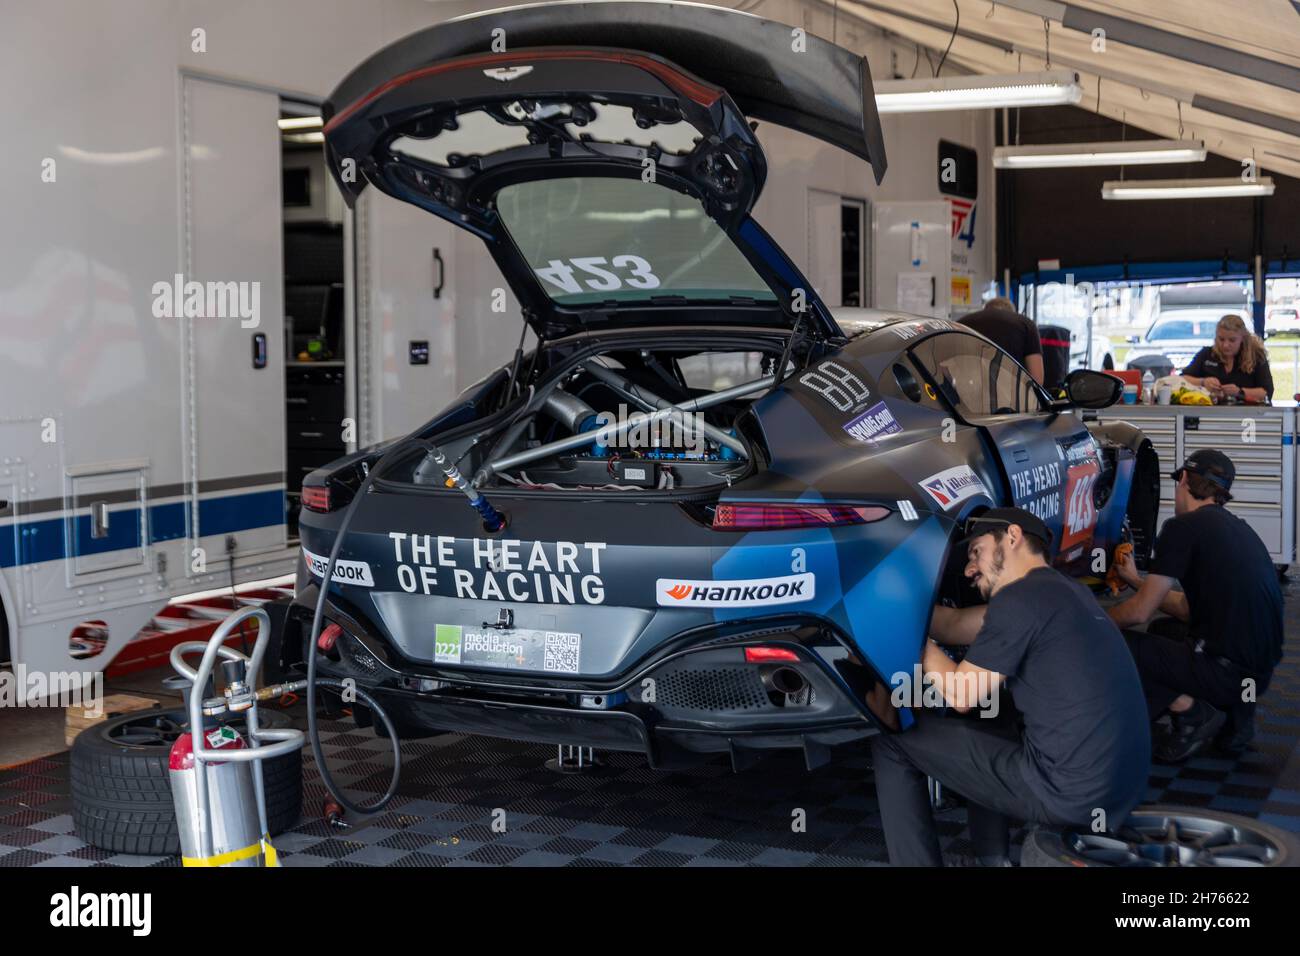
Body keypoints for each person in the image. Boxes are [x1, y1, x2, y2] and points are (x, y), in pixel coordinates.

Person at [871, 508, 1150, 866]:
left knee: (892, 739)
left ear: (1013, 536)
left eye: (977, 551)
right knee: (993, 713)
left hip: (1066, 791)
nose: (970, 568)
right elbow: (954, 624)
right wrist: (901, 600)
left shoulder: (1018, 598)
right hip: (1120, 789)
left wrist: (903, 627)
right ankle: (993, 861)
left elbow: (961, 695)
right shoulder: (1063, 592)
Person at [1108, 450, 1284, 761]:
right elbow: (1191, 609)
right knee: (1166, 629)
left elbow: (1138, 612)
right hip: (1257, 677)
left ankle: (1191, 712)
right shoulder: (1237, 529)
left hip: (1224, 673)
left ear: (1185, 479)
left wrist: (1091, 622)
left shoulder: (1181, 528)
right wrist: (1138, 581)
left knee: (1119, 644)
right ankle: (1236, 722)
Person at [1180, 313, 1273, 403]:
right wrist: (1203, 382)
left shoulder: (1256, 356)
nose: (1225, 345)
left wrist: (1240, 392)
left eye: (1232, 340)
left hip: (1246, 413)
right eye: (1221, 339)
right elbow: (1182, 379)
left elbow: (1266, 392)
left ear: (1242, 339)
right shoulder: (1207, 354)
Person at [959, 297, 1044, 384]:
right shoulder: (1026, 324)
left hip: (967, 389)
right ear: (1012, 313)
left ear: (985, 310)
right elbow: (1037, 379)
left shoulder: (961, 323)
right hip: (1011, 392)